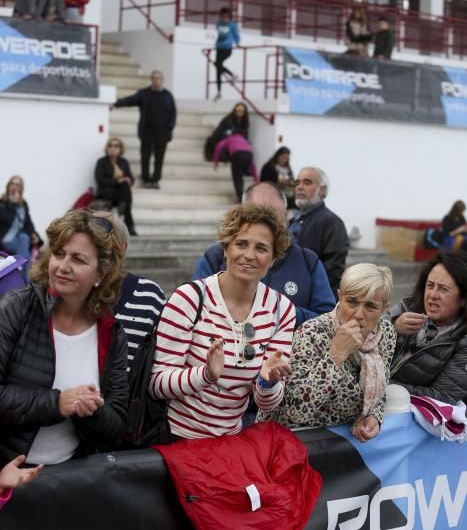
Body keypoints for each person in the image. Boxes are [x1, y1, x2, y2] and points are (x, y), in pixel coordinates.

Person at [150, 204, 296, 440]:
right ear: (225, 249)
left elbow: (267, 404)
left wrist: (268, 383)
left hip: (230, 441)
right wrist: (205, 375)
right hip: (176, 437)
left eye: (261, 248)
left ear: (273, 258)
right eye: (241, 244)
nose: (249, 255)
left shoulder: (281, 309)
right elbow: (157, 384)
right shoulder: (190, 298)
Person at [0, 209, 129, 467]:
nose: (63, 266)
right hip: (7, 475)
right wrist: (56, 403)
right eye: (58, 253)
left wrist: (92, 410)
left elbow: (116, 427)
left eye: (78, 259)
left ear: (100, 275)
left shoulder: (110, 332)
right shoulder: (18, 308)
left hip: (67, 480)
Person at [258, 264, 396, 443]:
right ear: (340, 296)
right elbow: (296, 410)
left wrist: (374, 416)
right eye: (352, 302)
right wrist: (336, 354)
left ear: (384, 309)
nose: (358, 314)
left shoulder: (385, 334)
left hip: (339, 447)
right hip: (292, 442)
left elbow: (380, 387)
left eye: (370, 306)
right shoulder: (312, 332)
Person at [193, 182, 335, 328]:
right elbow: (196, 310)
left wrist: (280, 312)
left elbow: (328, 319)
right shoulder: (213, 258)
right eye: (255, 216)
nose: (264, 225)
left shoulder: (308, 261)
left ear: (286, 217)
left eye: (272, 217)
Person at [386, 250, 467, 406]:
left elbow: (442, 395)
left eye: (443, 289)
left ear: (463, 299)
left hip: (408, 412)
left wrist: (384, 386)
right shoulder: (407, 307)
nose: (433, 295)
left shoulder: (463, 342)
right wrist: (392, 327)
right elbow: (363, 338)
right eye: (430, 286)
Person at [94, 212, 166, 371]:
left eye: (106, 244)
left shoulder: (150, 296)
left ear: (123, 247)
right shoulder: (69, 294)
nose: (99, 252)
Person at [289, 167, 349, 296]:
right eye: (297, 183)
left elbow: (333, 270)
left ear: (323, 190)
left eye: (307, 182)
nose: (299, 187)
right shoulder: (293, 220)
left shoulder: (332, 222)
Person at [114, 71, 177, 189]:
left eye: (158, 78)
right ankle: (146, 178)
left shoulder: (168, 96)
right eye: (153, 78)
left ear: (162, 80)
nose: (155, 80)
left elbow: (173, 114)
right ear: (151, 80)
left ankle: (156, 180)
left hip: (162, 131)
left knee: (159, 157)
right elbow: (130, 100)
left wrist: (169, 129)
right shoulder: (144, 94)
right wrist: (116, 104)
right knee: (145, 155)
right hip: (147, 130)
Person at [0, 175, 42, 283]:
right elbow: (5, 219)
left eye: (17, 185)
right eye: (12, 184)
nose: (14, 186)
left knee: (24, 237)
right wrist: (13, 204)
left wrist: (34, 235)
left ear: (21, 188)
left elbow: (28, 223)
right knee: (25, 250)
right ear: (8, 186)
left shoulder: (23, 204)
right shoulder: (2, 203)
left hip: (20, 238)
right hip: (6, 239)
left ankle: (21, 270)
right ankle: (27, 280)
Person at [94, 137, 136, 236]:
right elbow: (100, 180)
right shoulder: (101, 162)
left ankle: (123, 206)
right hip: (106, 193)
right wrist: (118, 181)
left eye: (116, 146)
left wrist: (129, 180)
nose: (112, 148)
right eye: (110, 145)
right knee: (125, 196)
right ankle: (130, 226)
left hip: (121, 194)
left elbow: (131, 177)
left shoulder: (123, 162)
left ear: (120, 149)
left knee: (125, 187)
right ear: (107, 148)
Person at [213, 132, 256, 201]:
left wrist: (216, 162)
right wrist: (256, 178)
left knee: (237, 178)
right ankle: (245, 194)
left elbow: (219, 146)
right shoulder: (244, 140)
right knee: (240, 173)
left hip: (237, 155)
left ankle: (241, 199)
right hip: (249, 155)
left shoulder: (229, 138)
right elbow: (253, 164)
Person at [213, 7, 240, 101]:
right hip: (219, 47)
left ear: (229, 17)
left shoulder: (232, 25)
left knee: (217, 64)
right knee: (217, 69)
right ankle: (219, 92)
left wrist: (237, 43)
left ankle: (233, 75)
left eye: (226, 17)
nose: (224, 19)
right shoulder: (218, 24)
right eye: (223, 17)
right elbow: (218, 31)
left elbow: (236, 35)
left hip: (227, 48)